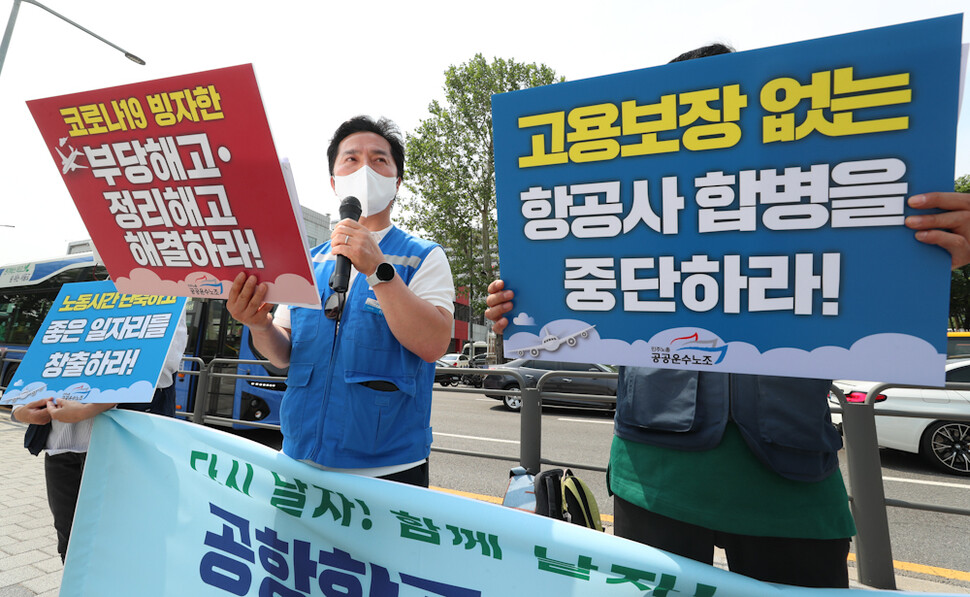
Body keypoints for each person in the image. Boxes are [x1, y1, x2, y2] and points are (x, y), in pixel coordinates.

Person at [485, 44, 970, 588]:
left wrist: (931, 259)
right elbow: (569, 315)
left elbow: (878, 295)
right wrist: (523, 313)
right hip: (653, 472)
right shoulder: (617, 206)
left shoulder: (819, 197)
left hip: (793, 471)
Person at [226, 115, 455, 488]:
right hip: (298, 457)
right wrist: (257, 323)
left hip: (387, 469)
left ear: (397, 183)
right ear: (334, 181)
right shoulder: (308, 260)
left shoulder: (423, 257)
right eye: (351, 158)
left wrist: (379, 269)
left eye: (380, 159)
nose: (365, 167)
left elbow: (433, 344)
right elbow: (283, 353)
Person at [11, 314, 187, 563]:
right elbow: (47, 357)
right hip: (60, 445)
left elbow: (161, 369)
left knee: (119, 544)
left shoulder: (162, 298)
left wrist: (90, 407)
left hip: (119, 446)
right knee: (70, 544)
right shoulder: (84, 298)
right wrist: (20, 410)